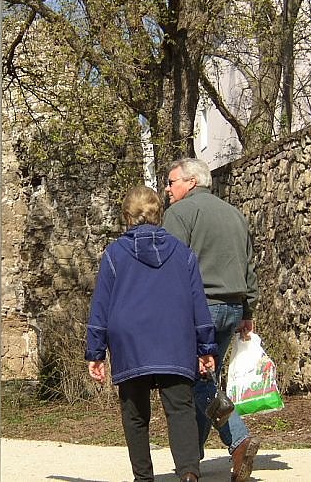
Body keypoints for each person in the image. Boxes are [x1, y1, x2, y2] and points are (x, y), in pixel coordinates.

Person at [85, 185, 217, 482]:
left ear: (127, 217)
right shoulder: (183, 254)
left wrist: (96, 352)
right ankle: (188, 474)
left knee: (135, 414)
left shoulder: (114, 255)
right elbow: (199, 302)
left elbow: (101, 305)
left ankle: (143, 478)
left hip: (130, 342)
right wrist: (206, 347)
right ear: (159, 214)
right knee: (181, 410)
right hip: (175, 340)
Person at [162, 158, 260, 482]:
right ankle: (193, 460)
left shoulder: (178, 214)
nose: (167, 189)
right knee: (204, 380)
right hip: (232, 308)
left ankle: (239, 439)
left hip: (200, 309)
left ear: (190, 182)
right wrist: (248, 312)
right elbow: (249, 265)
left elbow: (171, 267)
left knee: (197, 382)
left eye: (172, 182)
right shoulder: (234, 213)